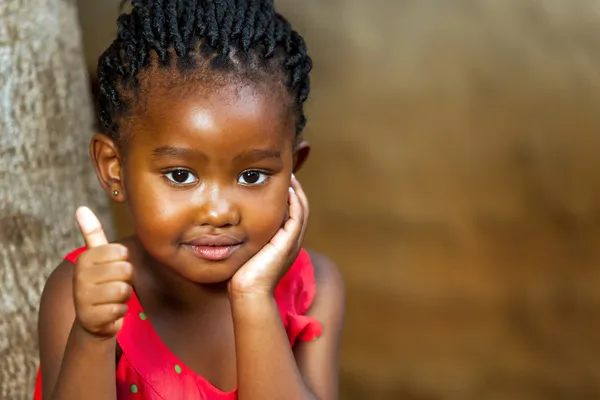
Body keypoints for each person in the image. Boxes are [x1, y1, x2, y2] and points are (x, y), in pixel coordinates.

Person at [34, 1, 345, 399]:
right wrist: (92, 336)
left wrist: (252, 299)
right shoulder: (84, 292)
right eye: (181, 175)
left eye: (252, 176)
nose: (219, 212)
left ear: (292, 169)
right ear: (114, 168)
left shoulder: (314, 287)